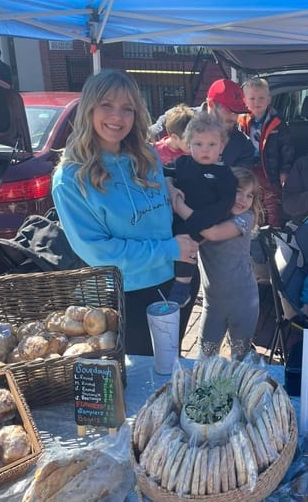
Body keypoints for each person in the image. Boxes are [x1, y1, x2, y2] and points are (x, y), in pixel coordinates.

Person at [51, 69, 200, 356]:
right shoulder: (70, 178)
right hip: (128, 296)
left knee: (170, 367)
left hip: (178, 280)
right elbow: (100, 254)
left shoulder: (146, 155)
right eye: (107, 105)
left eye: (127, 108)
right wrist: (170, 249)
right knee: (142, 383)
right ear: (89, 108)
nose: (117, 117)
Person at [167, 112, 238, 307]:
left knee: (187, 245)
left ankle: (182, 287)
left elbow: (224, 204)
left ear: (221, 146)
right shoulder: (182, 163)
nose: (205, 150)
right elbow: (165, 173)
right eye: (198, 144)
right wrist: (170, 186)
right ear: (188, 145)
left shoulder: (224, 175)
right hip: (174, 219)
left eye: (211, 145)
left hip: (205, 219)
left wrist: (193, 218)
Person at [196, 167, 264, 360]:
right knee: (204, 357)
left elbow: (214, 234)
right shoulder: (209, 217)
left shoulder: (246, 218)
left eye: (250, 195)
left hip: (244, 300)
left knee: (239, 358)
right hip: (213, 303)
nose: (244, 199)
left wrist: (180, 207)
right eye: (238, 191)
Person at [238, 77, 294, 227]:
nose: (257, 102)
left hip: (270, 169)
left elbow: (286, 149)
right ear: (245, 100)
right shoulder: (241, 121)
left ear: (269, 99)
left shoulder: (277, 122)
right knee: (251, 200)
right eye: (252, 98)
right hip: (248, 168)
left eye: (261, 98)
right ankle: (254, 229)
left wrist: (285, 171)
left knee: (272, 202)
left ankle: (274, 230)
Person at [201, 78, 254, 169]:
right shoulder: (184, 125)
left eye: (237, 112)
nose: (233, 117)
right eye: (229, 111)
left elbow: (241, 180)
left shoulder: (244, 145)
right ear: (211, 104)